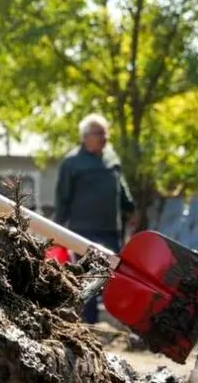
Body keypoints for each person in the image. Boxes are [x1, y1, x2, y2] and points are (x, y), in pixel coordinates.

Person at [53, 113, 137, 324]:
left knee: (114, 277)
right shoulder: (72, 163)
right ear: (85, 137)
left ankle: (119, 324)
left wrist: (131, 208)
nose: (104, 137)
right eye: (99, 133)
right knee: (89, 278)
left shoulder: (111, 158)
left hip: (111, 230)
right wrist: (57, 229)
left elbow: (122, 187)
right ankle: (89, 325)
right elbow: (63, 198)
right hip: (83, 232)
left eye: (105, 132)